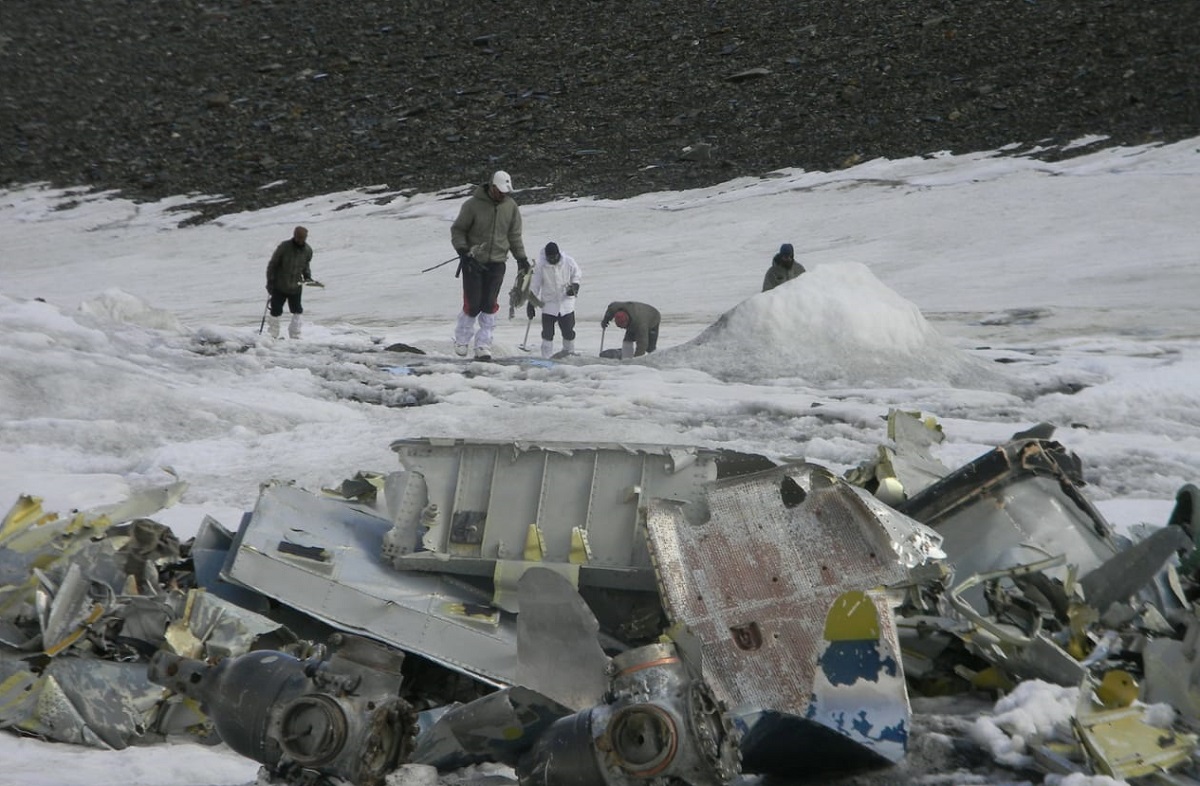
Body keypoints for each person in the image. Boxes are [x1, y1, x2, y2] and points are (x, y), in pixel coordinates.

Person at [450, 170, 529, 360]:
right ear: (492, 187)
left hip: (497, 263)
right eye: (500, 191)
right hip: (473, 262)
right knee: (473, 304)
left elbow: (514, 236)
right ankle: (462, 339)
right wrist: (462, 251)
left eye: (505, 192)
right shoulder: (472, 206)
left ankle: (483, 345)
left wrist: (521, 258)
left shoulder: (511, 207)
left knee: (489, 304)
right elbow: (458, 230)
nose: (503, 194)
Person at [527, 242, 582, 358]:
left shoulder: (568, 261)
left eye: (555, 257)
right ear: (546, 256)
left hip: (566, 303)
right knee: (547, 333)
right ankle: (546, 357)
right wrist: (531, 303)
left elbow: (576, 274)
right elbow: (535, 285)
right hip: (548, 304)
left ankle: (569, 353)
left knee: (568, 331)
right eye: (550, 258)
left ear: (558, 254)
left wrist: (575, 286)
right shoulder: (540, 265)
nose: (552, 259)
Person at [265, 225, 315, 339]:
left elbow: (306, 265)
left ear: (306, 238)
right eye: (298, 237)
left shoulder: (308, 250)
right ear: (294, 235)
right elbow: (273, 264)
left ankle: (295, 335)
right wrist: (270, 281)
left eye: (302, 238)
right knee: (275, 311)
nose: (299, 240)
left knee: (297, 310)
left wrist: (308, 276)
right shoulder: (284, 247)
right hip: (279, 285)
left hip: (296, 286)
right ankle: (273, 335)